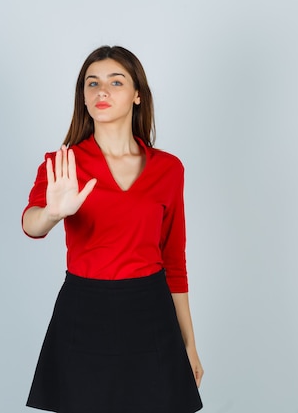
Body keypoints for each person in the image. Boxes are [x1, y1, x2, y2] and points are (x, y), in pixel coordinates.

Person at [22, 45, 203, 413]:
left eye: (115, 82)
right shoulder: (63, 164)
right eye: (92, 84)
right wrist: (54, 213)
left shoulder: (169, 169)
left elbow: (174, 261)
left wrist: (189, 343)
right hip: (84, 310)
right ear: (83, 98)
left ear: (137, 95)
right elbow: (32, 223)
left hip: (150, 312)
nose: (101, 91)